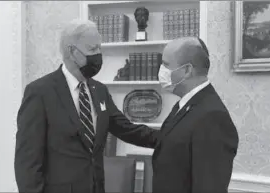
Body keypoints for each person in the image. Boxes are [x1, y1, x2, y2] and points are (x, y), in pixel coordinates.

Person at [14, 20, 159, 193]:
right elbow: (27, 160)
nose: (98, 55)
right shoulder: (40, 92)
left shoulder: (100, 91)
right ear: (72, 51)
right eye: (92, 49)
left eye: (99, 48)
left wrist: (174, 136)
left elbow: (127, 129)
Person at [152, 37, 239, 193]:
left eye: (165, 65)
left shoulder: (212, 117)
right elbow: (168, 139)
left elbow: (209, 187)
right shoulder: (186, 103)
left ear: (187, 70)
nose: (161, 70)